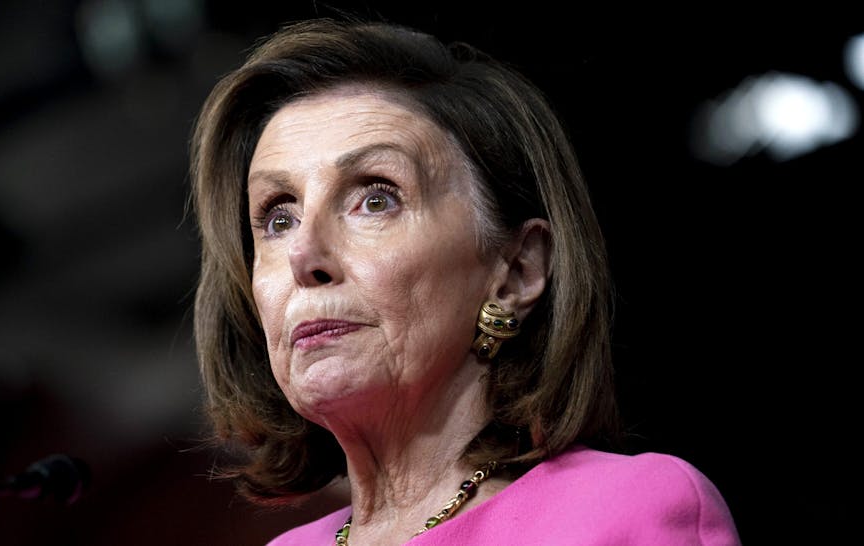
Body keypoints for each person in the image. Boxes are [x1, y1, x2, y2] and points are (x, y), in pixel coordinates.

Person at [189, 17, 741, 545]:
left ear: (517, 270)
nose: (304, 255)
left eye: (375, 200)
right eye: (278, 218)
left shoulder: (627, 511)